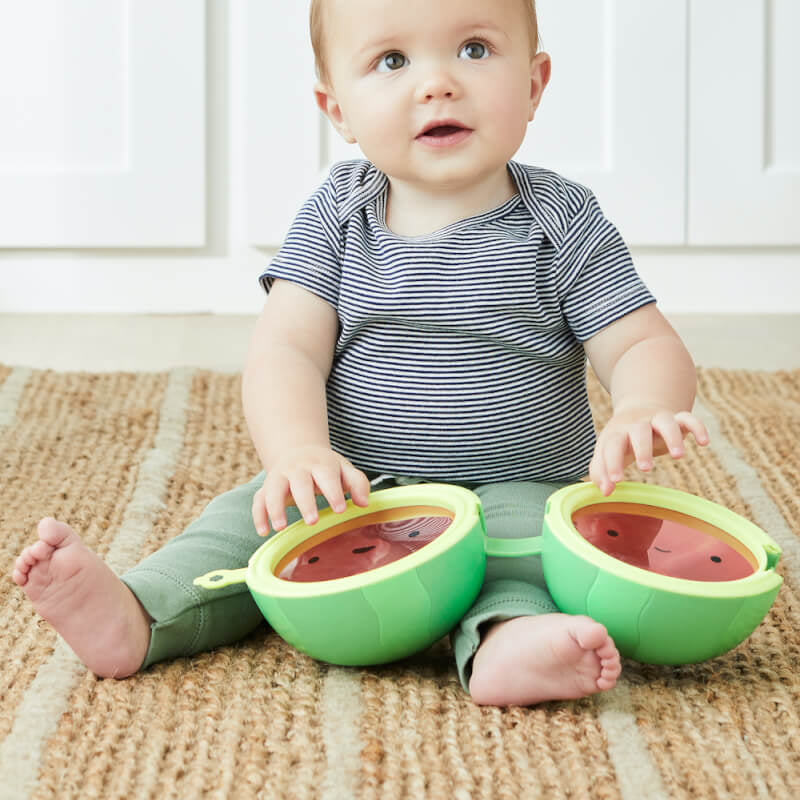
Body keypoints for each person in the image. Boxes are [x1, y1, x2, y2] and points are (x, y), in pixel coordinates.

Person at [13, 0, 709, 706]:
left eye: (473, 49)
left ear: (533, 85)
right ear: (336, 107)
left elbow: (642, 340)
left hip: (517, 485)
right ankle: (142, 613)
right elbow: (285, 350)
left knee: (532, 559)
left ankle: (510, 641)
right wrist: (297, 454)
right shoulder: (337, 215)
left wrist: (645, 405)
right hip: (351, 485)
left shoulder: (562, 221)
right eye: (392, 61)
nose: (436, 84)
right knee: (240, 529)